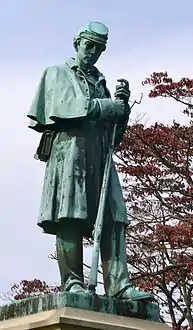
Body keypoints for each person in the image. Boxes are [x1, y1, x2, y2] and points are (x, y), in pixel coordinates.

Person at [27, 21, 152, 301]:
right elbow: (62, 109)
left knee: (113, 217)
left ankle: (119, 285)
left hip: (100, 155)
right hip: (69, 153)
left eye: (99, 49)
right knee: (70, 215)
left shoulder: (101, 82)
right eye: (89, 45)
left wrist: (122, 112)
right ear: (77, 43)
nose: (93, 52)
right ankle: (72, 283)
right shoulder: (57, 73)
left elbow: (112, 136)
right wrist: (107, 107)